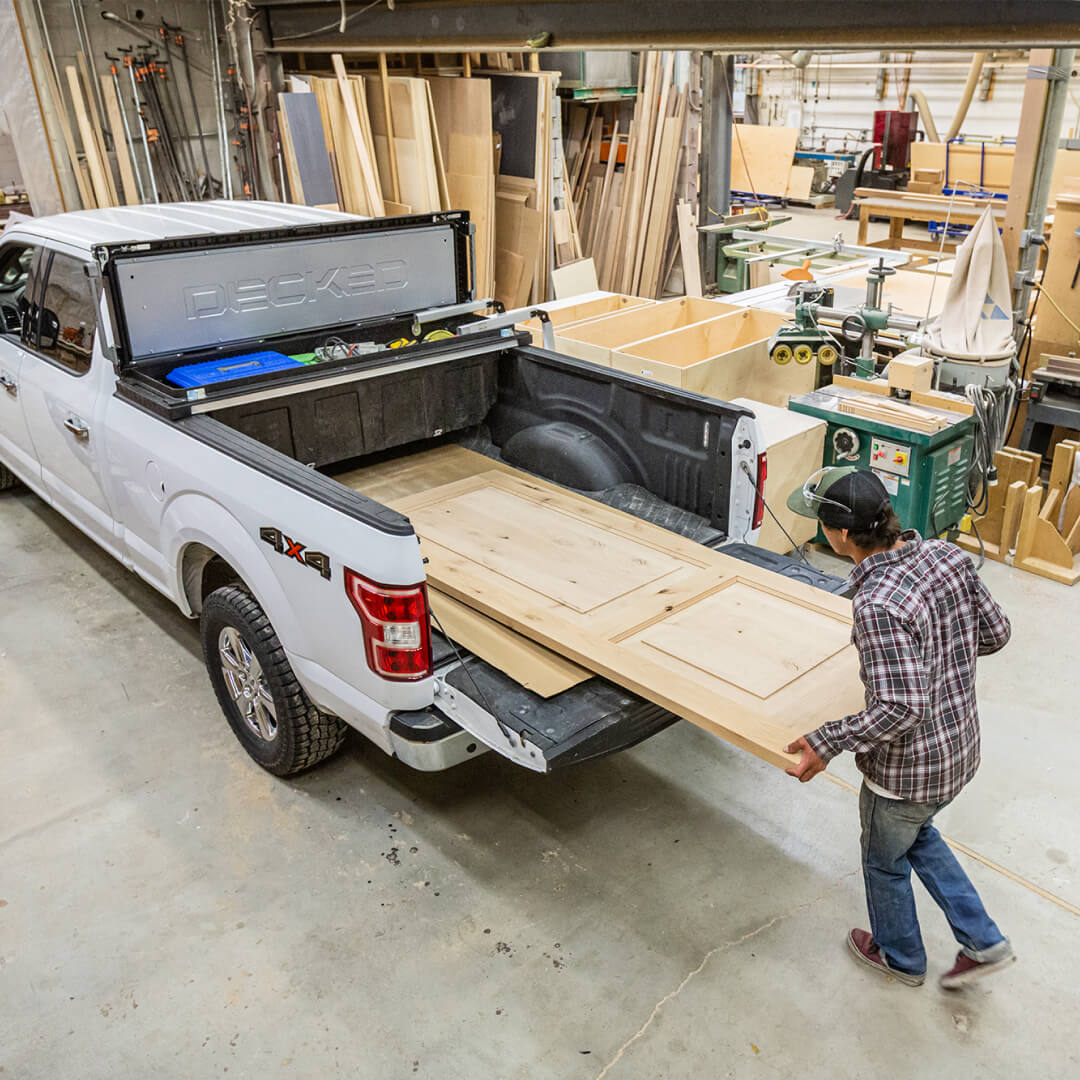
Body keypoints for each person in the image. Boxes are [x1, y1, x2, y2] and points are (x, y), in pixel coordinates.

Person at [784, 466, 1014, 990]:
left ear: (840, 535)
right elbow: (997, 633)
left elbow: (901, 708)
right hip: (960, 751)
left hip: (907, 775)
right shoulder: (947, 556)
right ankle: (984, 940)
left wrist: (826, 741)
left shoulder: (877, 603)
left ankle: (900, 957)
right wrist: (942, 650)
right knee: (918, 836)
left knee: (884, 860)